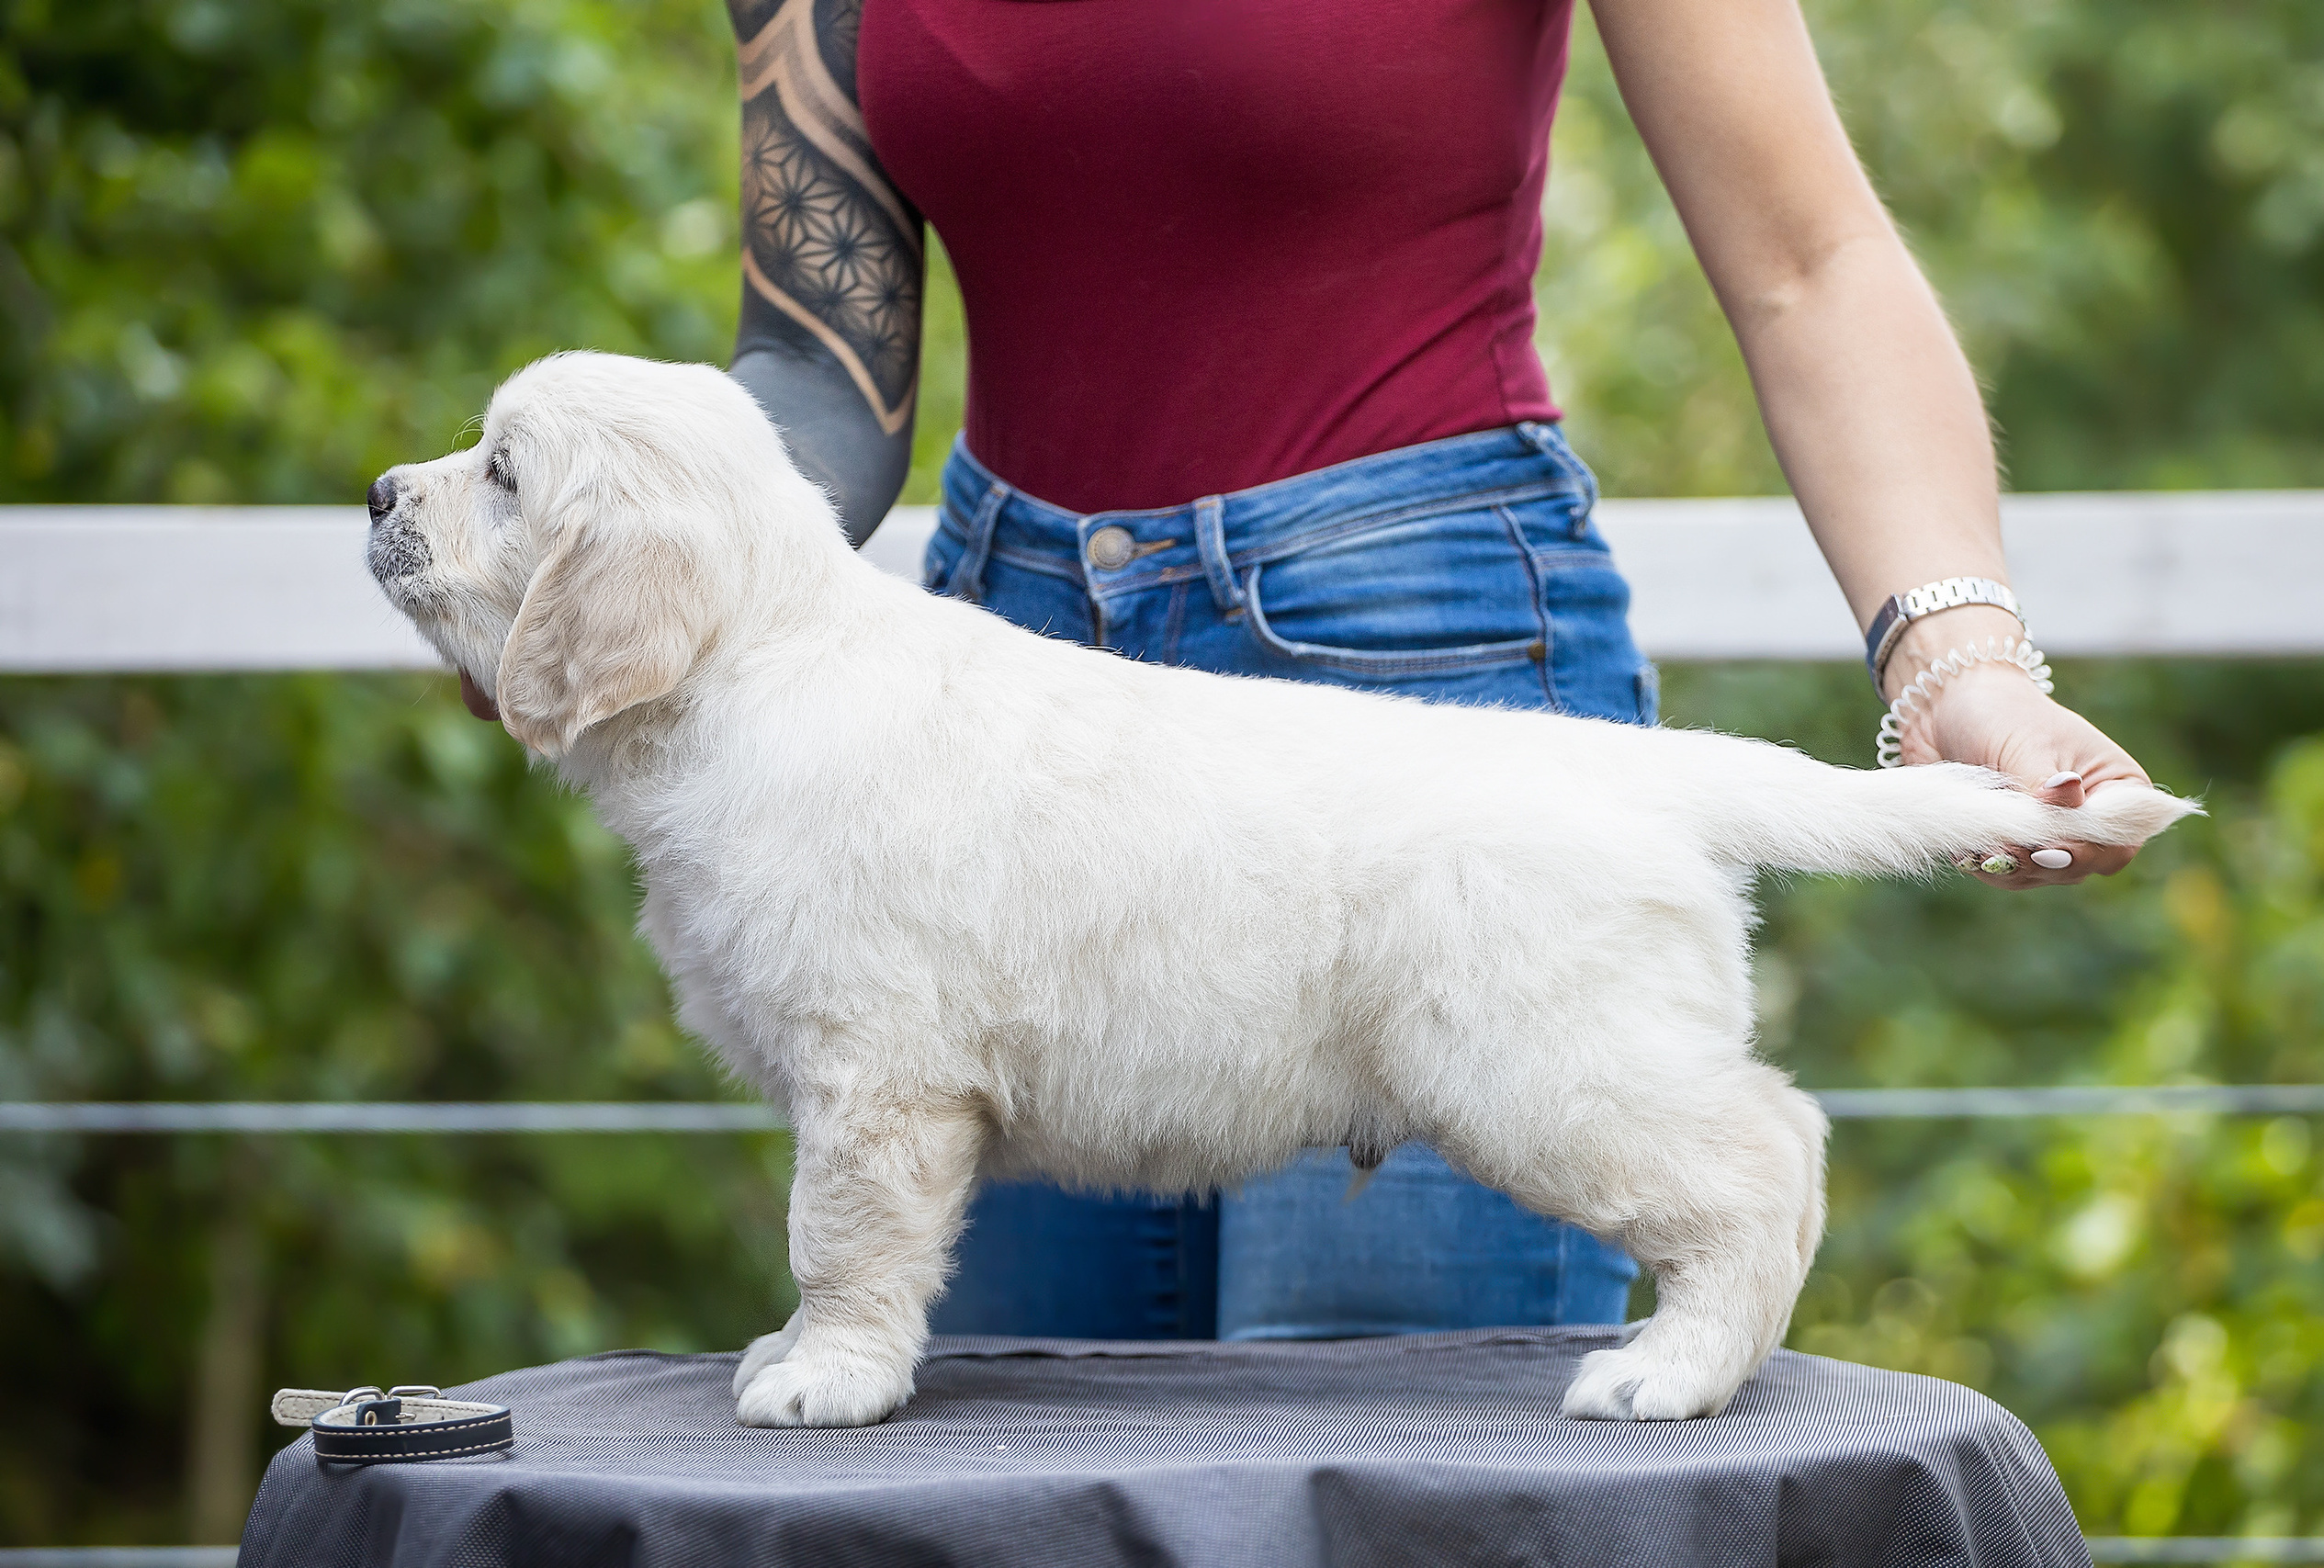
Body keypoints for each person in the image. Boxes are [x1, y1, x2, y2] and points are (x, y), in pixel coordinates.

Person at [465, 0, 2163, 1340]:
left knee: (1419, 1495)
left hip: (1416, 685)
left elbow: (1810, 264)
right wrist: (604, 580)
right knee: (1015, 1496)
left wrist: (1958, 657)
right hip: (977, 717)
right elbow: (813, 368)